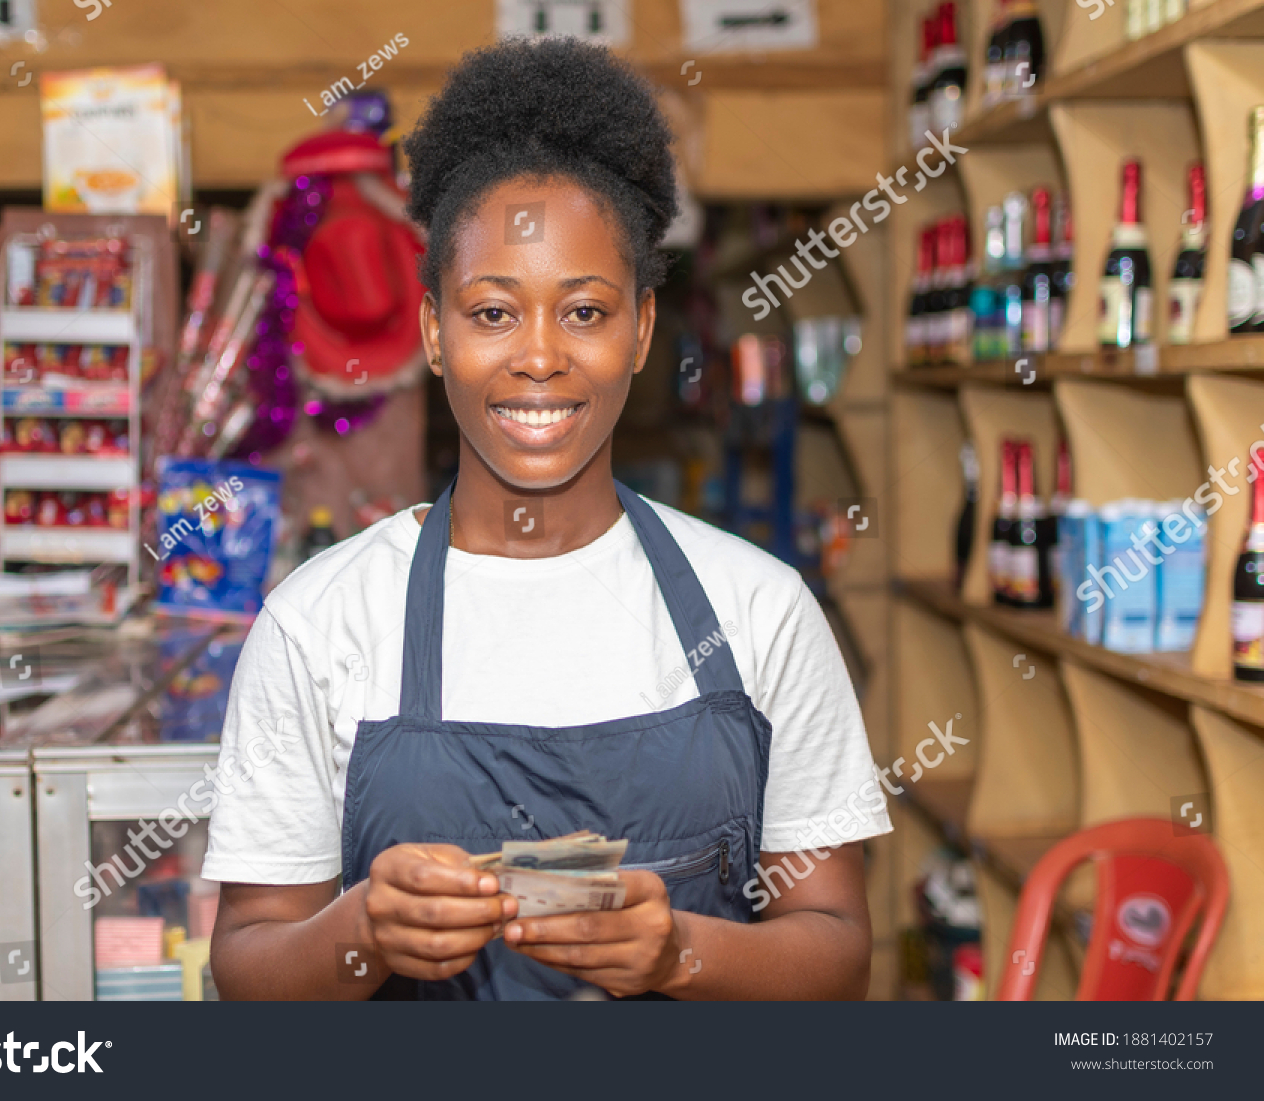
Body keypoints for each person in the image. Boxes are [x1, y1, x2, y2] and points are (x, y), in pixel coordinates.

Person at [203, 37, 890, 1000]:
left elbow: (837, 950)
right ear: (434, 331)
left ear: (642, 329)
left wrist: (678, 951)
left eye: (584, 311)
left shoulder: (762, 611)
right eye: (491, 313)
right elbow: (245, 971)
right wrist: (360, 930)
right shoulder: (319, 623)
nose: (538, 357)